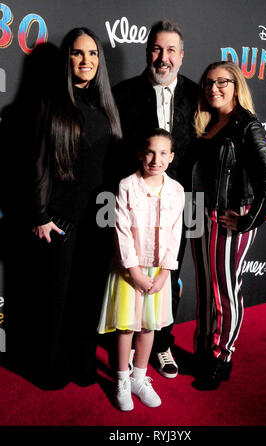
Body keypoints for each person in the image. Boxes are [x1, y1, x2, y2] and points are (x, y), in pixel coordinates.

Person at [4, 27, 122, 390]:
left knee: (87, 298)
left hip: (100, 220)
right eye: (77, 53)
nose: (85, 61)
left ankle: (82, 361)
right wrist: (40, 215)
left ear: (99, 62)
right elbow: (35, 162)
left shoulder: (106, 104)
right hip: (61, 219)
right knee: (54, 299)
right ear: (67, 59)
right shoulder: (49, 101)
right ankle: (48, 365)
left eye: (92, 54)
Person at [113, 18, 198, 378]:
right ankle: (125, 348)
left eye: (170, 50)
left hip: (179, 201)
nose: (163, 57)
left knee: (168, 271)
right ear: (148, 52)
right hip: (134, 200)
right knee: (128, 269)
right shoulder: (124, 92)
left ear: (181, 55)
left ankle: (161, 344)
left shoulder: (199, 94)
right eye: (156, 49)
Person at [191, 61, 266, 390]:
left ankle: (222, 357)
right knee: (204, 290)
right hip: (199, 214)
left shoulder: (246, 125)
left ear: (236, 84)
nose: (213, 88)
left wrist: (247, 220)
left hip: (228, 216)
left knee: (225, 293)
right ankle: (203, 351)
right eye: (208, 83)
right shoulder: (209, 122)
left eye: (222, 82)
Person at [97, 128, 185, 411]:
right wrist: (134, 271)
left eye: (162, 153)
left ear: (171, 158)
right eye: (149, 152)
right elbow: (121, 230)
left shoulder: (176, 190)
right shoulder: (127, 186)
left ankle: (139, 377)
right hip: (129, 268)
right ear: (140, 154)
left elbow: (175, 234)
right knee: (126, 325)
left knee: (148, 325)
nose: (155, 159)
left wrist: (164, 273)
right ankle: (122, 378)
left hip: (159, 270)